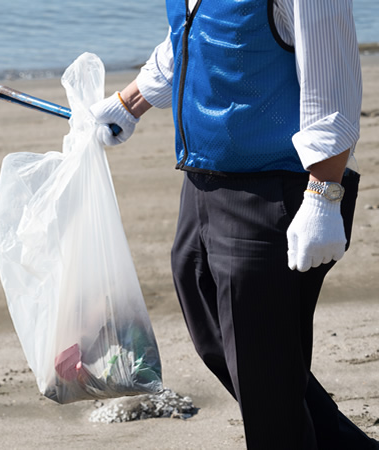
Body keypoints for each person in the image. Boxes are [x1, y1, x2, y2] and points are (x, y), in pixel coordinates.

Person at [90, 0, 377, 449]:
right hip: (204, 181)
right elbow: (190, 34)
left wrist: (324, 192)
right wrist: (131, 102)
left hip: (276, 189)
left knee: (264, 376)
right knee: (216, 326)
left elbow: (331, 77)